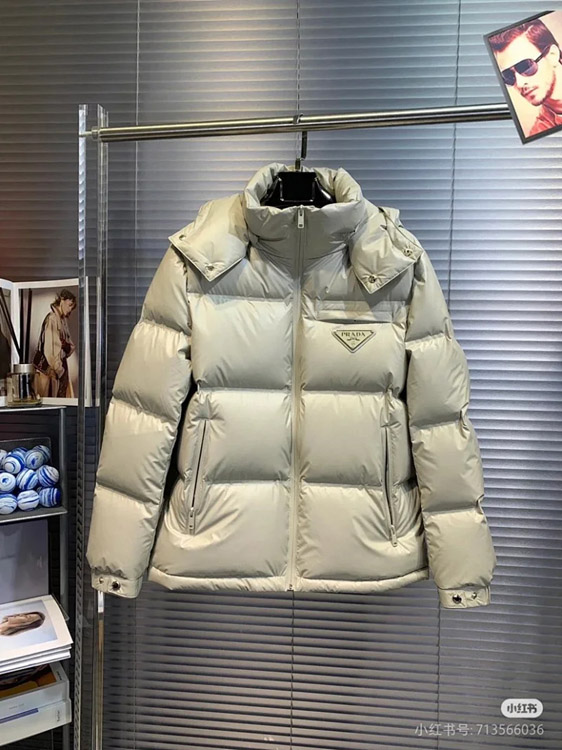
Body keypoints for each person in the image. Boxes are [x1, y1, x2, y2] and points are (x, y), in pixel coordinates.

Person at [490, 18, 562, 137]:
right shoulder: (541, 132)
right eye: (509, 76)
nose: (519, 83)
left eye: (525, 66)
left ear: (552, 55)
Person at [33, 288, 77, 398]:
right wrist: (60, 371)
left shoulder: (62, 321)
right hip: (50, 371)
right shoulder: (52, 319)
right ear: (62, 300)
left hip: (58, 369)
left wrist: (65, 346)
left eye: (72, 307)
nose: (70, 309)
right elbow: (50, 351)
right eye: (70, 305)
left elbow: (70, 346)